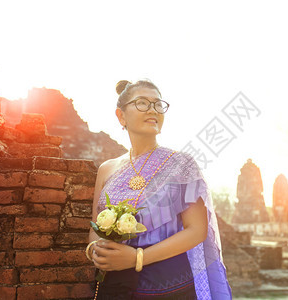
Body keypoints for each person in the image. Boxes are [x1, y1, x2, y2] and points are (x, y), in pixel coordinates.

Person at [87, 79, 232, 299]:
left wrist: (137, 257)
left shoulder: (182, 164)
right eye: (143, 103)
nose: (153, 109)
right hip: (115, 284)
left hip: (169, 286)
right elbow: (95, 227)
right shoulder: (107, 169)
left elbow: (197, 230)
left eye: (158, 104)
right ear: (121, 116)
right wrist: (96, 253)